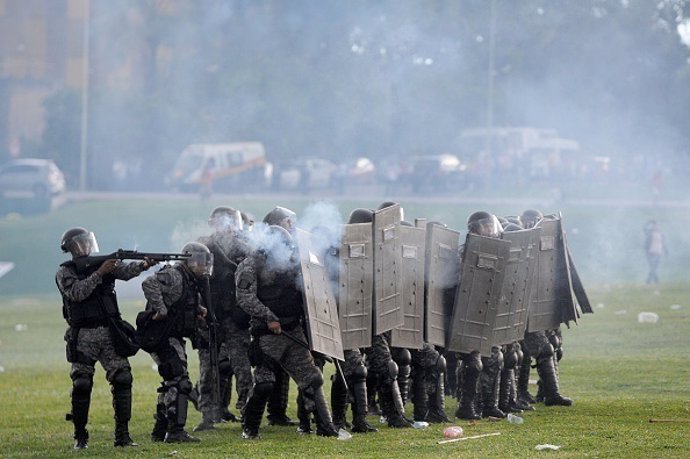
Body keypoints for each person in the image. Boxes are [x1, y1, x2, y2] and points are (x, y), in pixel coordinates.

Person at [236, 225, 340, 439]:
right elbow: (245, 297)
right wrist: (269, 317)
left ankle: (325, 427)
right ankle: (250, 427)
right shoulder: (251, 264)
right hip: (267, 334)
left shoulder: (294, 263)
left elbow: (310, 288)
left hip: (293, 329)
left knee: (312, 378)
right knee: (265, 384)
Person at [56, 227, 155, 449]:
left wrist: (144, 265)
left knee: (122, 379)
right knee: (81, 383)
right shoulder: (66, 271)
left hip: (109, 333)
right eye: (82, 242)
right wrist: (99, 273)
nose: (88, 245)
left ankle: (123, 436)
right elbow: (77, 293)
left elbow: (126, 272)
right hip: (83, 335)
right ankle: (80, 437)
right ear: (72, 247)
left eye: (88, 241)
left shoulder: (105, 265)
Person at [140, 242, 211, 443]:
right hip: (162, 337)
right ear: (189, 261)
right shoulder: (175, 274)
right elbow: (148, 284)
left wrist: (197, 310)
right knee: (180, 381)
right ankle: (175, 431)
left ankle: (159, 431)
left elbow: (180, 301)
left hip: (173, 337)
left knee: (173, 381)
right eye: (201, 263)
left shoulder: (190, 279)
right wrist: (160, 309)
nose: (204, 267)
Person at [193, 206, 252, 431]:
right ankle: (208, 414)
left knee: (242, 367)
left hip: (235, 317)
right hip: (211, 316)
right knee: (208, 369)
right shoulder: (203, 246)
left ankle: (248, 410)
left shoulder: (243, 246)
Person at [643, 220, 667, 284]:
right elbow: (644, 228)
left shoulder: (661, 234)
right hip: (650, 253)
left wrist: (666, 251)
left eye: (656, 225)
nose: (655, 226)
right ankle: (651, 281)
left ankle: (654, 280)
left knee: (654, 267)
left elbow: (663, 243)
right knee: (653, 267)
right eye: (654, 225)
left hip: (658, 252)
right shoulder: (649, 233)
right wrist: (648, 222)